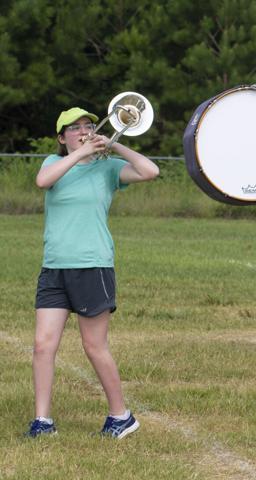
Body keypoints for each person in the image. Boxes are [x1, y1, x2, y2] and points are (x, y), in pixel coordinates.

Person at [28, 107, 159, 438]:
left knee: (94, 346)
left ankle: (121, 416)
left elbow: (150, 171)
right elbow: (43, 181)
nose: (84, 130)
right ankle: (42, 422)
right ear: (62, 138)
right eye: (75, 128)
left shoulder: (107, 169)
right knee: (43, 345)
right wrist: (82, 152)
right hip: (54, 267)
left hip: (92, 264)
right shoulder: (51, 164)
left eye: (88, 125)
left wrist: (115, 146)